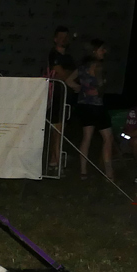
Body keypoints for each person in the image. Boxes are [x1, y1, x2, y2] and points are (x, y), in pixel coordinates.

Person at [73, 39, 114, 180]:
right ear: (95, 51)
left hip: (84, 105)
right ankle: (109, 173)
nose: (104, 52)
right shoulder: (98, 66)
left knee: (86, 138)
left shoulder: (82, 67)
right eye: (102, 49)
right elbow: (100, 88)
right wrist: (100, 88)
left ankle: (83, 171)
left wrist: (79, 88)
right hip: (96, 106)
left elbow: (69, 80)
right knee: (108, 138)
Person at [46, 26, 77, 173]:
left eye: (66, 37)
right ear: (55, 39)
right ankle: (55, 162)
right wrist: (69, 78)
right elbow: (62, 75)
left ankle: (55, 159)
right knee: (56, 130)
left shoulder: (69, 57)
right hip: (56, 96)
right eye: (61, 37)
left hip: (67, 97)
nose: (64, 40)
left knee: (62, 129)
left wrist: (68, 77)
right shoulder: (53, 54)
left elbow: (71, 74)